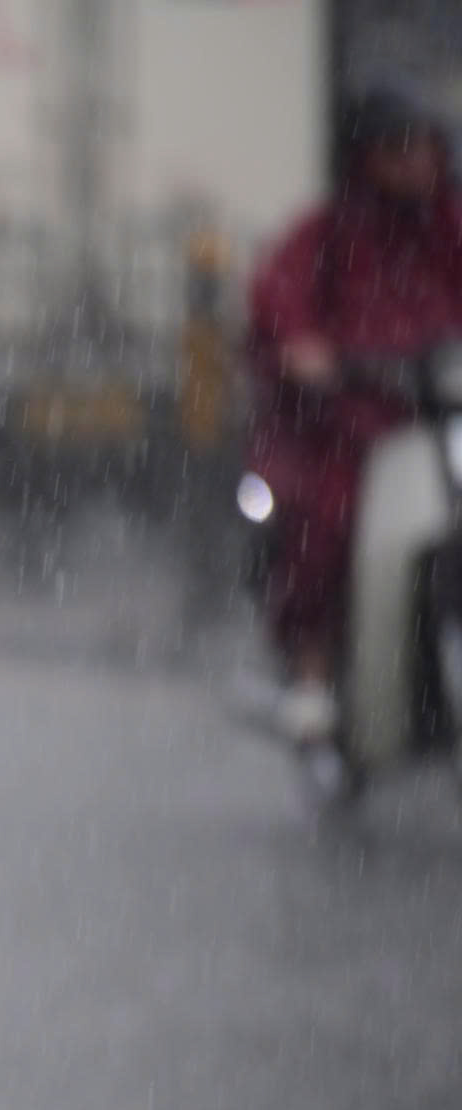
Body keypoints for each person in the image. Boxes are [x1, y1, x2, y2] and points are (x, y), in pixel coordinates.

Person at [245, 87, 462, 746]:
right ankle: (312, 672)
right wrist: (303, 348)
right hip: (354, 429)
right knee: (326, 524)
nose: (414, 163)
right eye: (397, 148)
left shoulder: (450, 226)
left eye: (423, 147)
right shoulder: (331, 231)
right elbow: (279, 298)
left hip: (443, 422)